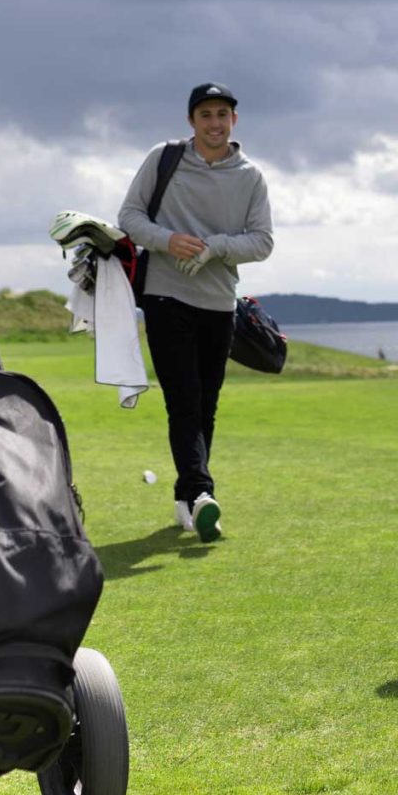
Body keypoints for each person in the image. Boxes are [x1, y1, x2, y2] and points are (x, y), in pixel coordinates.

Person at [117, 83, 274, 541]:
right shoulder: (164, 159)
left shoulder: (250, 176)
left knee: (205, 406)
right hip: (165, 297)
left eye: (223, 114)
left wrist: (215, 248)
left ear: (234, 121)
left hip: (219, 302)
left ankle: (186, 498)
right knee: (183, 401)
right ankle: (204, 493)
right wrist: (168, 240)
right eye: (205, 114)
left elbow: (262, 241)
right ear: (191, 121)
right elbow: (129, 216)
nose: (215, 123)